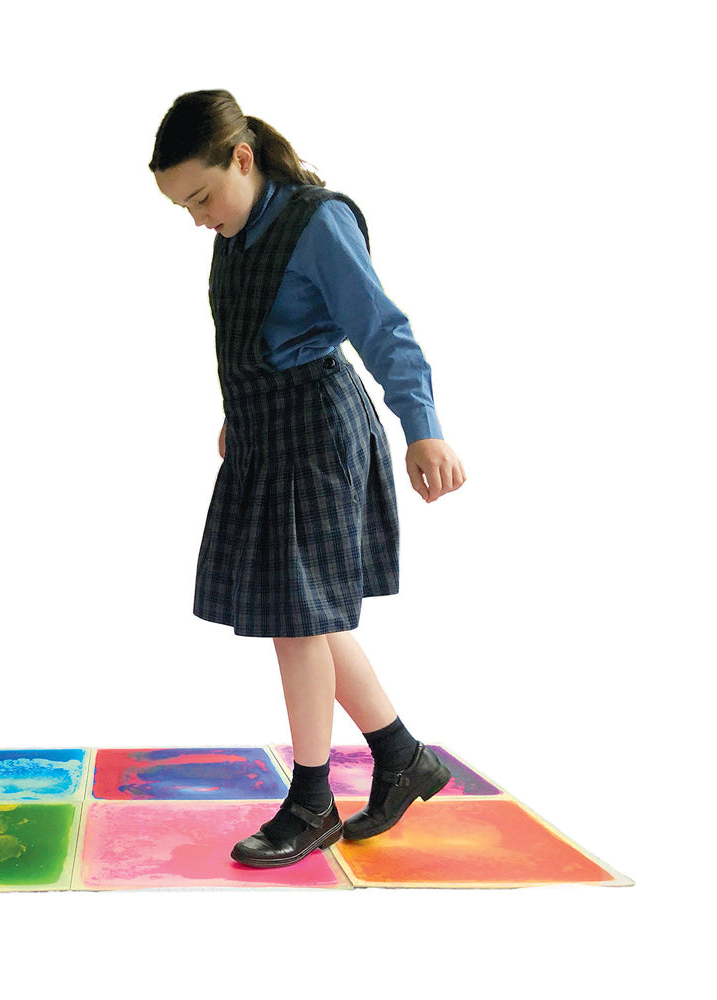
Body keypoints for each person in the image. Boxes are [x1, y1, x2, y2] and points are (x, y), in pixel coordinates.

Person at [150, 90, 466, 869]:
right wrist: (239, 411)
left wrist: (423, 427)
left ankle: (313, 802)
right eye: (182, 206)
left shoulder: (317, 223)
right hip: (267, 433)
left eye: (201, 197)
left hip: (316, 436)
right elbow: (250, 331)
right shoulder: (235, 227)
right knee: (308, 614)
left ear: (243, 158)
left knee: (296, 620)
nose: (197, 218)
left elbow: (384, 328)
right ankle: (401, 757)